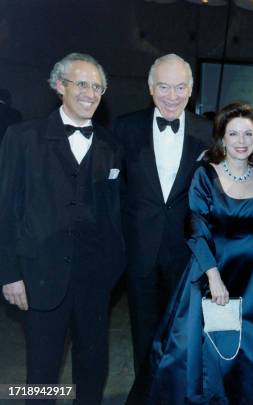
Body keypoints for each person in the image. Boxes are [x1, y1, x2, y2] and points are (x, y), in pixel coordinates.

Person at [0, 53, 124, 404]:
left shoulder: (111, 145)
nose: (90, 93)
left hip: (95, 280)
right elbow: (6, 208)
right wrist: (9, 273)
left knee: (93, 366)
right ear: (59, 86)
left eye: (97, 86)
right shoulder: (21, 137)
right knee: (41, 371)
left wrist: (114, 268)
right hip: (40, 276)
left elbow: (113, 212)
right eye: (81, 83)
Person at [144, 102, 253, 404]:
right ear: (222, 138)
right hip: (211, 270)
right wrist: (214, 277)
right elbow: (195, 229)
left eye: (248, 134)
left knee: (250, 352)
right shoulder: (205, 174)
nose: (241, 141)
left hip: (252, 275)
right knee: (205, 354)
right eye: (234, 134)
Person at [113, 53, 212, 398]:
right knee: (142, 332)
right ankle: (144, 394)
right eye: (165, 87)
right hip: (140, 251)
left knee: (183, 334)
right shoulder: (125, 128)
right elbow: (116, 193)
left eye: (180, 87)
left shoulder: (207, 131)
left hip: (186, 254)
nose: (172, 95)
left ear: (191, 90)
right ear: (151, 89)